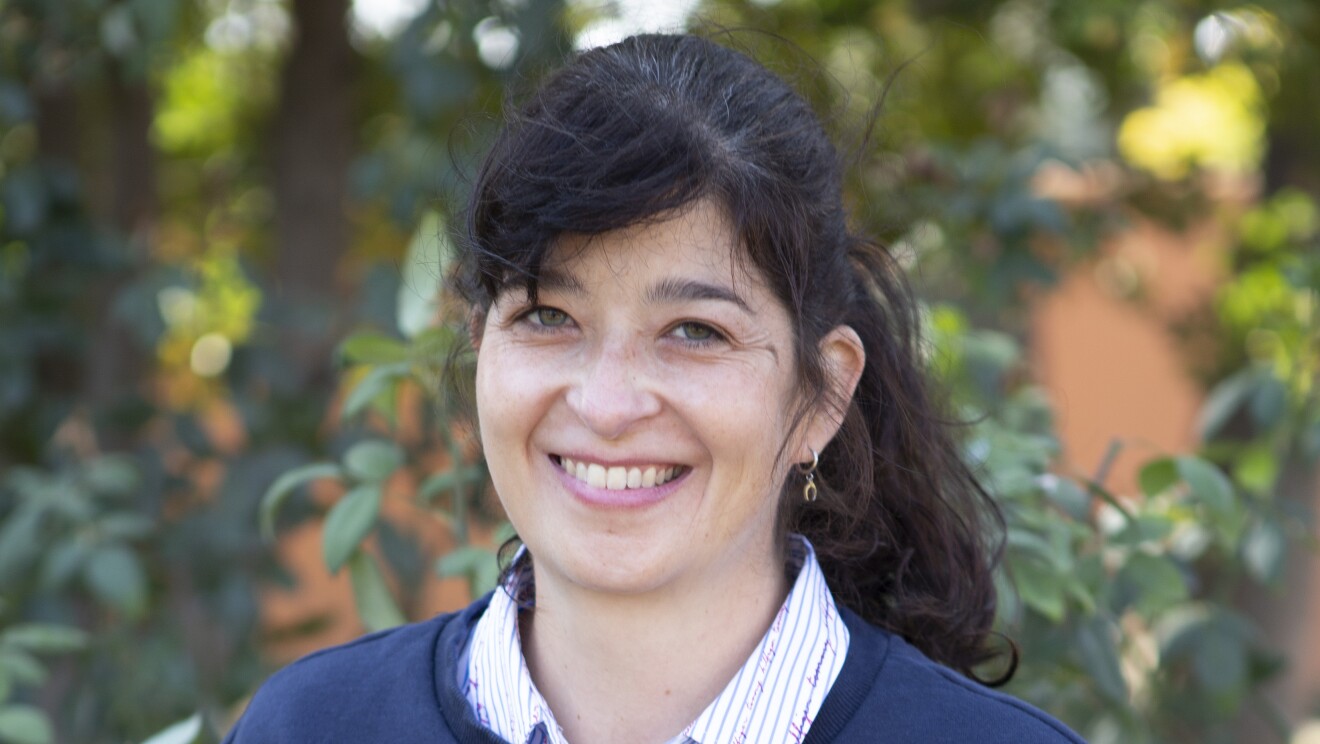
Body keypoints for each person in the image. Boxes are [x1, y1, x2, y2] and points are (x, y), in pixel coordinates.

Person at [224, 33, 1084, 743]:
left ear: (822, 394)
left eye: (695, 333)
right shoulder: (310, 727)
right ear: (481, 344)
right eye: (549, 316)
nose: (606, 404)